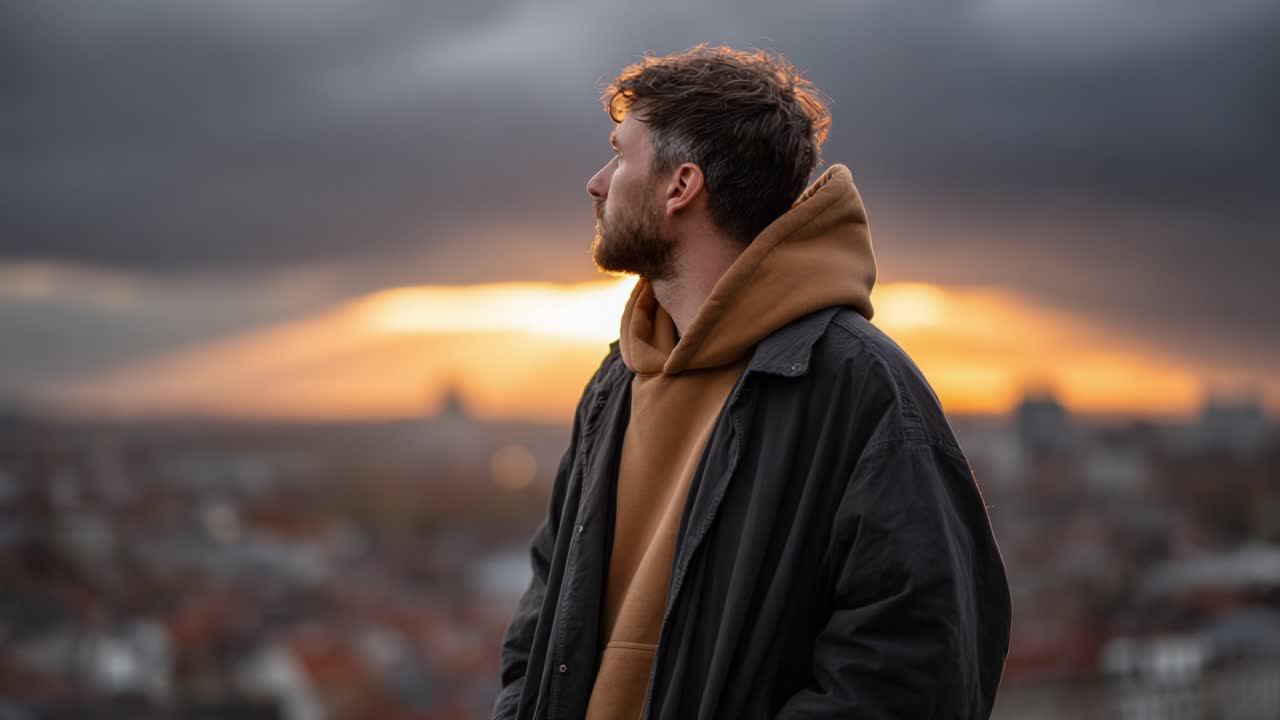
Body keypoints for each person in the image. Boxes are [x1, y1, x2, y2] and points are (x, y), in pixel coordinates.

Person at [491, 44, 1011, 720]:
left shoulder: (861, 390)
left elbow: (911, 674)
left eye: (619, 157)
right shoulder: (614, 385)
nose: (596, 183)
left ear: (681, 186)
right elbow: (540, 621)